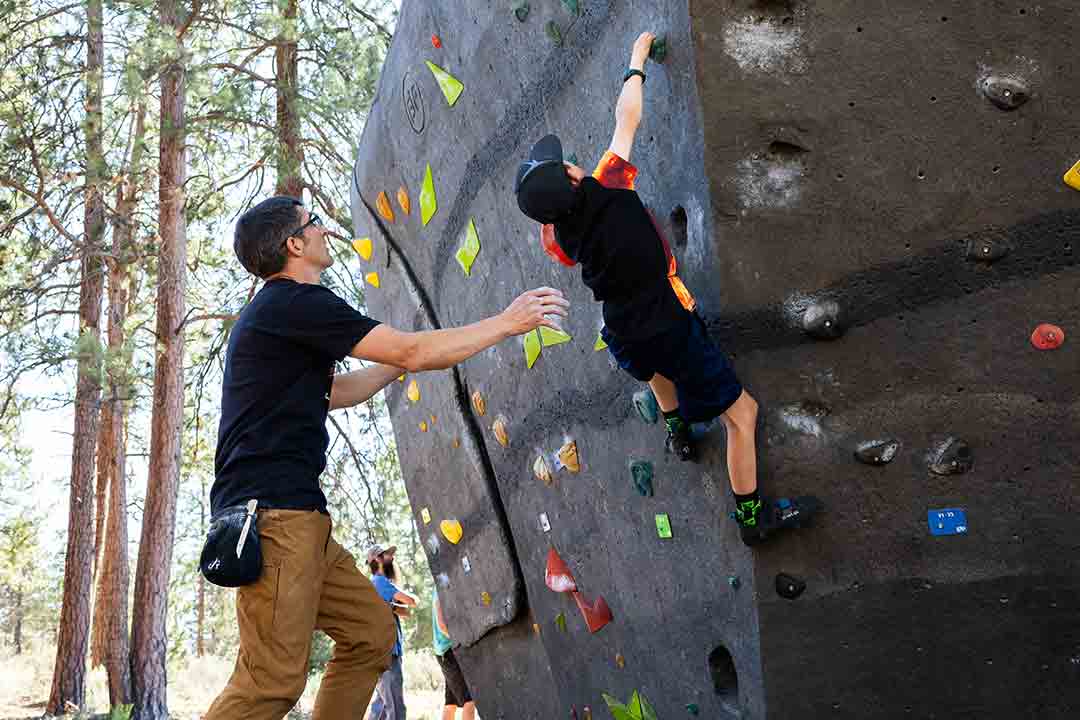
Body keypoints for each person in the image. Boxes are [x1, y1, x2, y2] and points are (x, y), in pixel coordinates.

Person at [205, 196, 569, 719]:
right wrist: (506, 323)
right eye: (313, 223)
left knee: (371, 635)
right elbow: (412, 350)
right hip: (274, 518)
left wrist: (399, 364)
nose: (324, 230)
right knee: (272, 682)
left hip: (300, 517)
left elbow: (335, 392)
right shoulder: (294, 304)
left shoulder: (280, 317)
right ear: (294, 244)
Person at [513, 33, 783, 546]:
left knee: (655, 371)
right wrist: (636, 60)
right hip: (666, 320)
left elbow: (563, 216)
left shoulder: (561, 238)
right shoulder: (609, 185)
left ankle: (678, 431)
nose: (573, 163)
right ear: (573, 178)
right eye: (567, 165)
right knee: (742, 415)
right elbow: (627, 118)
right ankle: (752, 519)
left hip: (622, 331)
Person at [367, 544, 417, 720]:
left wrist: (393, 607)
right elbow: (411, 601)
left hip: (380, 653)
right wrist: (401, 605)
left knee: (380, 707)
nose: (392, 558)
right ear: (377, 560)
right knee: (395, 708)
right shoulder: (380, 582)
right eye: (387, 555)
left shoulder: (375, 585)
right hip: (388, 654)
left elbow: (404, 611)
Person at [432, 588, 476, 720]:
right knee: (470, 700)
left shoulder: (441, 587)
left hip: (446, 652)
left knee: (451, 703)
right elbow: (442, 625)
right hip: (449, 651)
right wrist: (461, 640)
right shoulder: (440, 589)